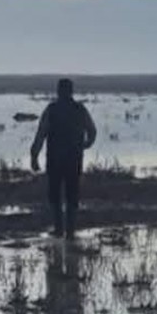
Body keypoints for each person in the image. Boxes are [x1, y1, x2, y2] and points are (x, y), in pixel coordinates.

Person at [30, 78, 97, 238]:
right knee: (72, 195)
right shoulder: (79, 109)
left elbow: (41, 134)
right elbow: (92, 131)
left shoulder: (52, 109)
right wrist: (86, 144)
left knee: (55, 196)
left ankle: (60, 229)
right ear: (71, 91)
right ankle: (70, 230)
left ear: (58, 91)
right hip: (73, 159)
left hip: (55, 159)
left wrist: (34, 156)